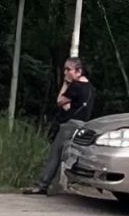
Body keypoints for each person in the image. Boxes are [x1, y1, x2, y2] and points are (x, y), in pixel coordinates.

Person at [23, 57, 94, 195]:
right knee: (71, 156)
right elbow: (71, 106)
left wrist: (66, 84)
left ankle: (42, 185)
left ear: (78, 71)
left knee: (55, 154)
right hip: (82, 126)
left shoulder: (75, 86)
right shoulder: (90, 88)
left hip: (70, 125)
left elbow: (60, 100)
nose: (65, 73)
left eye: (69, 69)